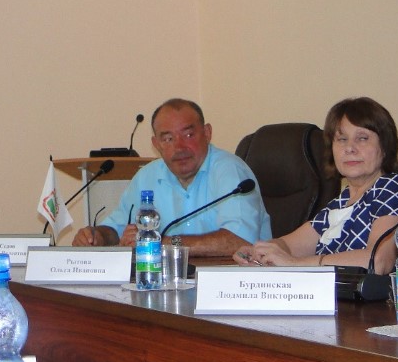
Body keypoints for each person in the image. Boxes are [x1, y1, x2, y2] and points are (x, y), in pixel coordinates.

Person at [233, 97, 398, 273]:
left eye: (362, 138)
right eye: (342, 139)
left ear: (385, 147)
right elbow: (288, 245)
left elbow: (378, 262)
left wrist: (295, 264)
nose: (349, 148)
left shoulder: (393, 187)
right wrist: (259, 251)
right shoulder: (341, 202)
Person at [71, 98, 270, 256]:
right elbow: (117, 227)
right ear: (156, 144)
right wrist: (97, 236)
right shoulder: (146, 176)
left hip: (230, 283)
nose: (179, 147)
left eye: (188, 135)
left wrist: (160, 243)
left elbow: (239, 241)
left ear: (207, 133)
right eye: (168, 139)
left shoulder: (230, 171)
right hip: (169, 281)